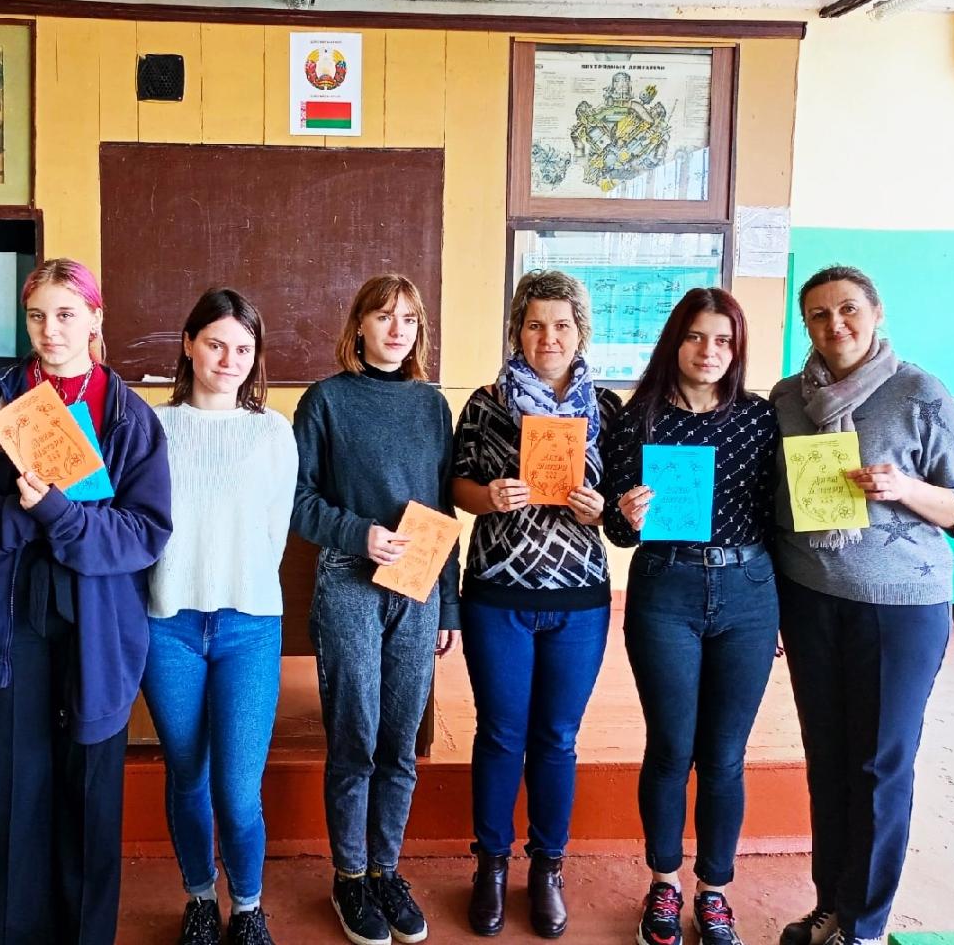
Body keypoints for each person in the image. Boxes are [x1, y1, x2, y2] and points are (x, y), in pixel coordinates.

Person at [0, 257, 173, 945]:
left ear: (96, 319)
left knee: (89, 794)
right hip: (6, 614)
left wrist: (59, 514)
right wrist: (22, 513)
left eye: (67, 314)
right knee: (8, 790)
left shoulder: (129, 415)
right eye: (37, 316)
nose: (51, 330)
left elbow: (145, 532)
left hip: (99, 622)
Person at [771, 266, 954, 945]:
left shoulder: (918, 393)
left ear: (876, 314)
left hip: (900, 608)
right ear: (805, 325)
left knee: (879, 766)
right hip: (811, 600)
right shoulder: (788, 398)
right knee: (827, 759)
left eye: (848, 310)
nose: (834, 324)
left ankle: (863, 924)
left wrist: (906, 490)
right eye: (818, 314)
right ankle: (831, 903)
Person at [603, 288, 780, 945]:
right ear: (675, 340)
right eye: (696, 336)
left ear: (738, 349)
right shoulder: (638, 418)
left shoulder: (760, 418)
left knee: (725, 754)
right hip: (666, 590)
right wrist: (626, 514)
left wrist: (783, 614)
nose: (709, 351)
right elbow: (618, 533)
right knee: (671, 747)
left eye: (723, 340)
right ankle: (664, 882)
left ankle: (714, 891)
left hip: (749, 592)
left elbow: (777, 516)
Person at [292, 273, 459, 945]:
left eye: (409, 319)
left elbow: (442, 509)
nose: (396, 330)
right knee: (355, 735)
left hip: (417, 588)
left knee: (400, 740)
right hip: (350, 582)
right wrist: (358, 534)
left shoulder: (431, 405)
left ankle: (386, 869)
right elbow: (298, 501)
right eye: (384, 316)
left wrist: (448, 604)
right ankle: (350, 876)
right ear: (358, 324)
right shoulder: (326, 400)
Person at [451, 269, 609, 940]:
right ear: (517, 330)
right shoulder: (485, 403)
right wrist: (488, 497)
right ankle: (490, 865)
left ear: (581, 333)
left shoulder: (608, 409)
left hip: (580, 597)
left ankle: (547, 866)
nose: (549, 337)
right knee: (500, 733)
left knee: (557, 737)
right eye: (536, 324)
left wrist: (604, 509)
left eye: (562, 325)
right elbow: (456, 484)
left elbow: (628, 506)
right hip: (498, 595)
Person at [144, 288, 297, 945]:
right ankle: (201, 897)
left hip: (249, 626)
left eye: (243, 348)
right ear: (188, 344)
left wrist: (238, 578)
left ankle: (250, 905)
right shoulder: (150, 426)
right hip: (168, 626)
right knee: (187, 775)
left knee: (237, 789)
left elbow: (275, 530)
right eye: (215, 344)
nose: (229, 360)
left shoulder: (273, 432)